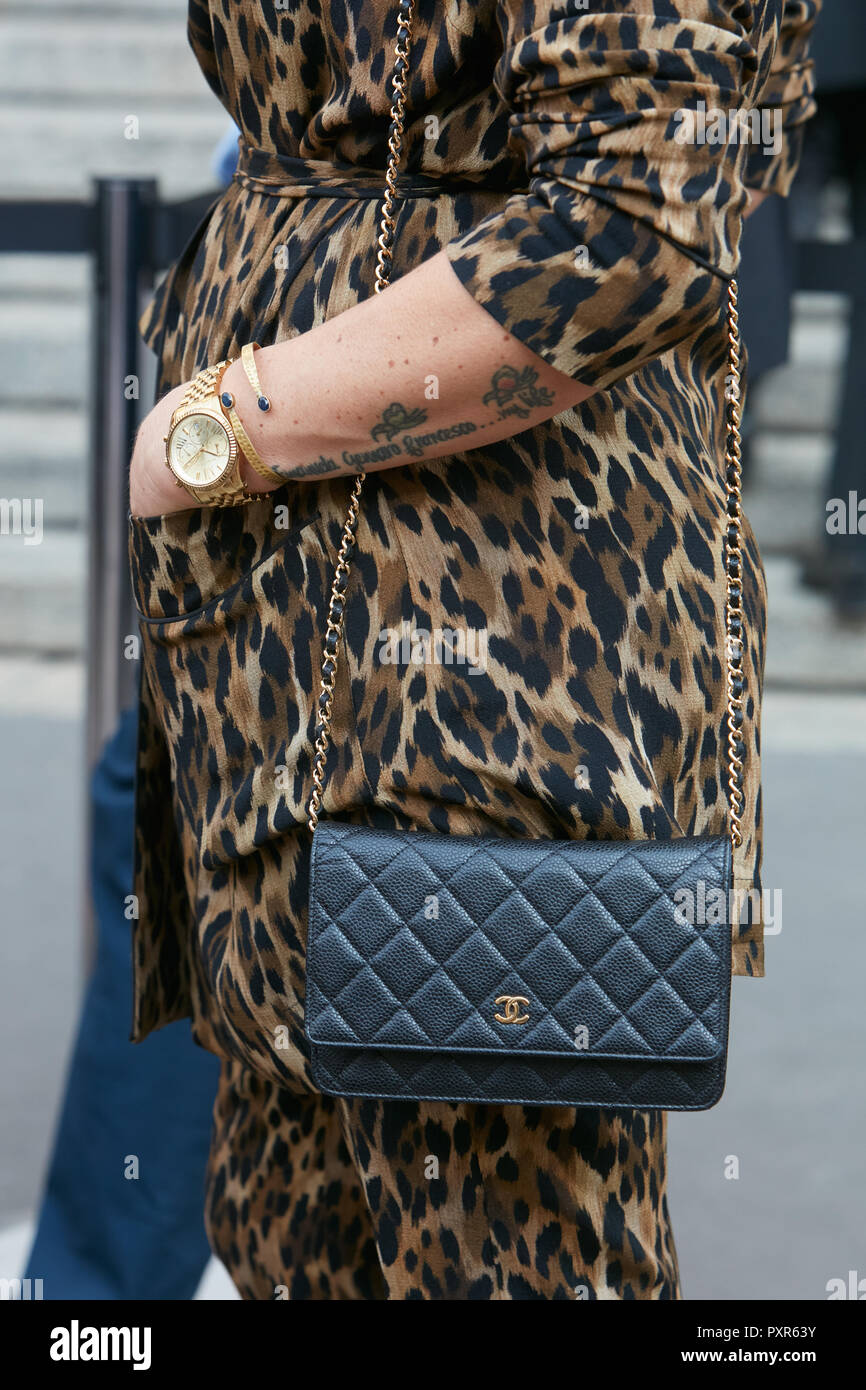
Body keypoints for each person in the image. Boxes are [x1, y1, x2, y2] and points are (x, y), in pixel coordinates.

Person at [126, 1, 821, 1300]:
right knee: (292, 1223)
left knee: (501, 1245)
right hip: (287, 625)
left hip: (488, 639)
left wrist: (217, 430)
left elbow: (626, 225)